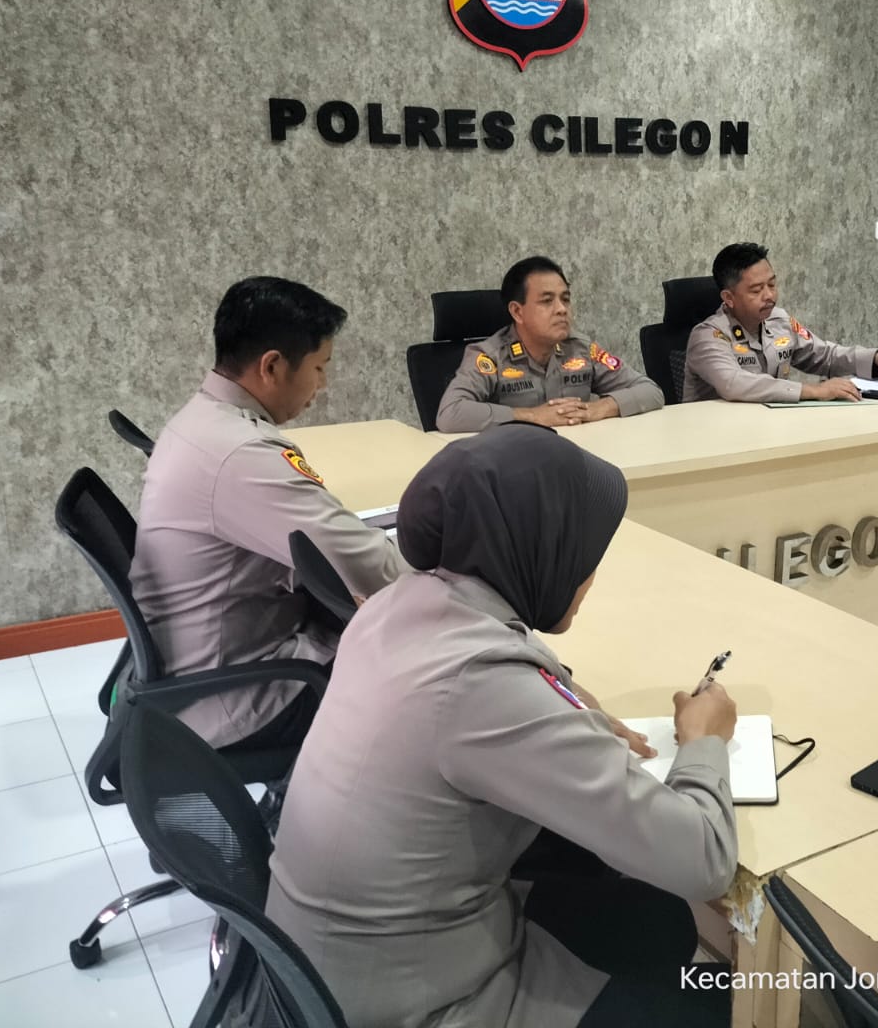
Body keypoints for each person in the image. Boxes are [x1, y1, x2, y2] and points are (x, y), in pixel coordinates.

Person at [266, 425, 739, 1027]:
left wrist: (561, 702)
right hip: (417, 1005)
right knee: (709, 1001)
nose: (590, 576)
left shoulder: (394, 606)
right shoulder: (481, 685)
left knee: (656, 921)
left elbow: (488, 687)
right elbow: (705, 861)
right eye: (584, 554)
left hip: (332, 967)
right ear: (540, 551)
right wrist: (704, 739)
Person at [129, 277, 401, 750]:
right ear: (272, 366)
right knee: (423, 672)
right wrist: (453, 577)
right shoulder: (240, 454)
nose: (323, 384)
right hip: (233, 695)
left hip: (202, 663)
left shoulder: (201, 420)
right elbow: (365, 565)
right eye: (320, 367)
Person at [435, 256, 665, 432]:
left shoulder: (582, 349)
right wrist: (532, 416)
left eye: (565, 299)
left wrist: (599, 408)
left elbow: (651, 391)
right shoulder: (489, 357)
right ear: (517, 312)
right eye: (547, 301)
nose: (562, 309)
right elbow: (450, 414)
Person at [683, 241, 878, 403]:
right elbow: (733, 384)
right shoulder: (708, 336)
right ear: (729, 298)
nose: (769, 295)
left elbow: (824, 356)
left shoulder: (780, 320)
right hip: (718, 441)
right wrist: (813, 391)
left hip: (770, 430)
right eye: (756, 290)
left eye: (772, 284)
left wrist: (876, 359)